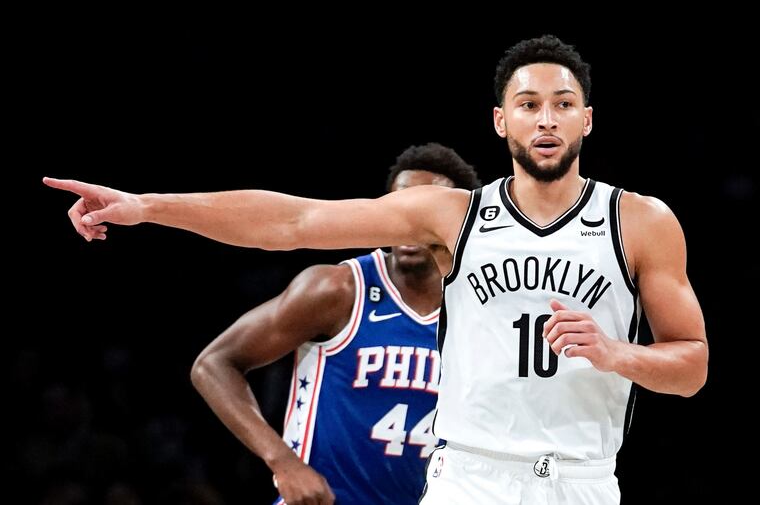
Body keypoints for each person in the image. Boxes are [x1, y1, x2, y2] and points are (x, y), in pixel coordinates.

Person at [45, 35, 708, 504]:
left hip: (582, 478)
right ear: (502, 120)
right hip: (467, 477)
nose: (546, 118)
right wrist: (147, 206)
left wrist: (619, 353)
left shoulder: (642, 221)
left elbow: (693, 363)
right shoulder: (449, 214)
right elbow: (293, 221)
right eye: (529, 104)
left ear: (587, 119)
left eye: (563, 103)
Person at [189, 143, 480, 505]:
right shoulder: (339, 289)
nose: (408, 221)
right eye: (399, 206)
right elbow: (213, 364)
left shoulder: (480, 307)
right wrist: (282, 462)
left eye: (422, 209)